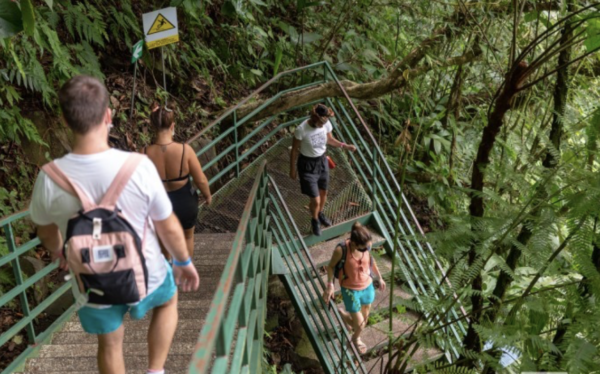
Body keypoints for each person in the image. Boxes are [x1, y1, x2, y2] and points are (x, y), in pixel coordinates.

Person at [29, 75, 200, 374]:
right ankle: (155, 370)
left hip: (93, 281)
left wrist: (59, 253)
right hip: (147, 273)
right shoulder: (138, 166)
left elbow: (46, 232)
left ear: (64, 120)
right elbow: (168, 226)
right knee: (168, 301)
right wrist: (183, 260)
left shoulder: (48, 178)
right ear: (108, 116)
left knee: (109, 343)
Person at [144, 103, 212, 258]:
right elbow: (200, 179)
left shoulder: (144, 152)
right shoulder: (184, 150)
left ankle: (167, 274)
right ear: (172, 126)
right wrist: (207, 195)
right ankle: (185, 275)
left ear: (153, 127)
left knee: (163, 238)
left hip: (159, 204)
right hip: (184, 203)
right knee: (187, 236)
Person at [289, 104, 357, 236]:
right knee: (315, 199)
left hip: (321, 161)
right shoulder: (301, 130)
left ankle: (319, 213)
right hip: (307, 165)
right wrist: (292, 169)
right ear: (314, 119)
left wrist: (345, 146)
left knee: (324, 192)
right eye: (320, 123)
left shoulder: (325, 124)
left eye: (324, 123)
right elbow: (294, 151)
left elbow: (330, 140)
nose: (322, 126)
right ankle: (315, 221)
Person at [322, 222, 386, 354]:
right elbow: (330, 267)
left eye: (368, 246)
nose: (367, 249)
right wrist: (330, 285)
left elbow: (371, 262)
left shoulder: (366, 247)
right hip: (351, 290)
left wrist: (379, 277)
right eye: (363, 248)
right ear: (353, 243)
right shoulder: (341, 250)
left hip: (367, 286)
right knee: (361, 324)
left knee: (364, 317)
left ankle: (345, 316)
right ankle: (355, 339)